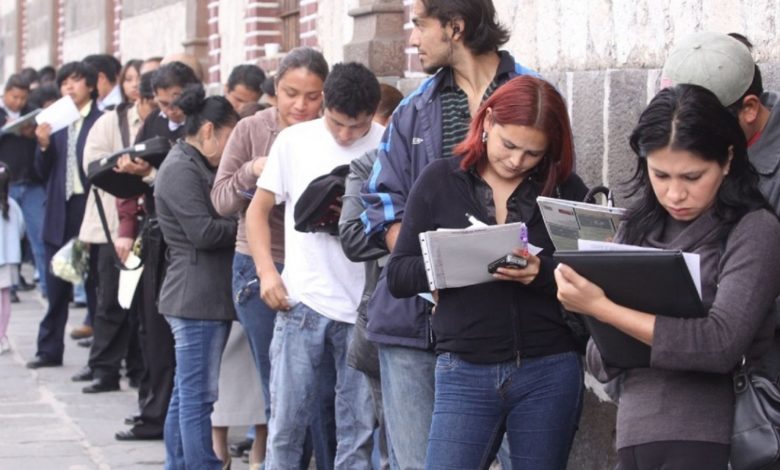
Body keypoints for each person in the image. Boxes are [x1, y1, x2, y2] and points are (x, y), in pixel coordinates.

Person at [554, 84, 780, 469]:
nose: (675, 194)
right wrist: (603, 315)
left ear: (727, 160)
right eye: (660, 175)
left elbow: (720, 344)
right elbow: (599, 359)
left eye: (692, 177)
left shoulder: (754, 229)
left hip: (714, 436)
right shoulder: (636, 228)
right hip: (635, 432)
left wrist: (603, 309)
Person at [359, 1, 536, 466]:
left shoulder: (532, 96)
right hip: (414, 326)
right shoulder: (412, 109)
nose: (412, 38)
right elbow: (380, 205)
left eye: (419, 25)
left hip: (511, 328)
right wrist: (433, 275)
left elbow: (554, 195)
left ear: (455, 27)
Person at [385, 76, 586, 469]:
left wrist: (540, 272)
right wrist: (455, 259)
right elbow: (399, 275)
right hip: (464, 366)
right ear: (488, 121)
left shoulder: (564, 190)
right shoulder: (440, 180)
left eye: (533, 153)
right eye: (508, 145)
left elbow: (590, 277)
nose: (516, 161)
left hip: (549, 365)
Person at [246, 62, 383, 468]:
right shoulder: (294, 141)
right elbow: (257, 212)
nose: (345, 135)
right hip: (301, 301)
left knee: (357, 432)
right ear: (325, 103)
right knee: (286, 426)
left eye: (357, 127)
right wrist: (267, 273)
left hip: (364, 310)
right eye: (337, 123)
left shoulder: (388, 143)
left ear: (373, 113)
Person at [211, 48, 330, 469]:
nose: (301, 105)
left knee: (323, 386)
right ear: (275, 89)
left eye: (312, 96)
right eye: (291, 93)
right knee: (279, 382)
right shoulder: (251, 129)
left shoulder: (331, 131)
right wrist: (252, 170)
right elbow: (221, 200)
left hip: (319, 267)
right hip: (260, 265)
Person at [113, 60, 201, 441]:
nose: (170, 111)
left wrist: (149, 175)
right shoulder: (153, 122)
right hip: (152, 231)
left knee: (172, 329)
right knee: (149, 326)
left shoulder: (201, 123)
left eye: (175, 101)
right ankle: (152, 409)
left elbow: (190, 181)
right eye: (162, 103)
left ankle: (166, 415)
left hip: (184, 238)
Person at [154, 83, 239, 469]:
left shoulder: (192, 163)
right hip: (195, 298)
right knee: (198, 397)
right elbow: (203, 233)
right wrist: (245, 225)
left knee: (186, 394)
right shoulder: (179, 168)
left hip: (200, 296)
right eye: (229, 138)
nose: (231, 149)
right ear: (208, 130)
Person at [69, 66, 148, 393]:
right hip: (112, 225)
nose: (135, 87)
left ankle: (138, 368)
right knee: (112, 299)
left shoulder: (162, 123)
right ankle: (104, 368)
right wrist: (126, 168)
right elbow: (92, 166)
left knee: (143, 305)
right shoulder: (110, 121)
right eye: (130, 79)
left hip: (150, 223)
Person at [338, 82, 404, 470]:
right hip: (386, 319)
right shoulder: (370, 164)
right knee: (389, 441)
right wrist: (401, 233)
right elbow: (352, 237)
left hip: (453, 327)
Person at [27, 61, 102, 369]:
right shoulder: (55, 121)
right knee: (56, 283)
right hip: (60, 208)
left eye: (76, 81)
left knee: (96, 283)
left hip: (90, 208)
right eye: (64, 83)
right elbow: (42, 172)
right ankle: (49, 349)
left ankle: (101, 359)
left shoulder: (101, 120)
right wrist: (43, 146)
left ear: (91, 86)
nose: (69, 87)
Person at [0, 74, 47, 298]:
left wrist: (33, 135)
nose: (18, 102)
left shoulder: (33, 114)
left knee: (40, 237)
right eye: (14, 97)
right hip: (4, 186)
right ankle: (8, 287)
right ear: (5, 93)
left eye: (23, 97)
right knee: (6, 239)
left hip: (31, 183)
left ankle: (47, 286)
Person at [0, 163, 25, 354]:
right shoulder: (12, 205)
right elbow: (21, 230)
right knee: (5, 299)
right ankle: (2, 335)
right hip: (8, 260)